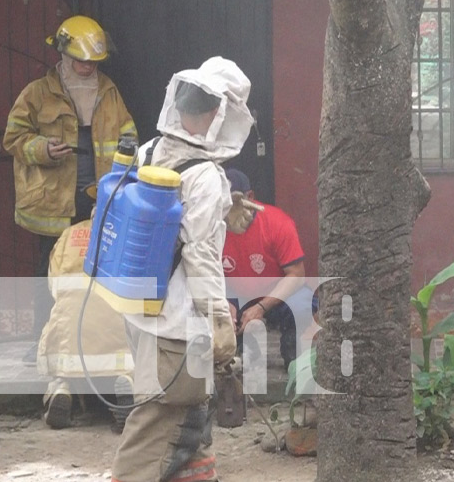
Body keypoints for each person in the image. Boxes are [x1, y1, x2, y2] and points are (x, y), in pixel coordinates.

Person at [111, 56, 250, 482]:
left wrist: (224, 209)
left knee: (192, 418)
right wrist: (219, 317)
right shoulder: (205, 174)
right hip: (178, 322)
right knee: (160, 421)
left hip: (141, 307)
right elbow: (200, 253)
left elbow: (163, 219)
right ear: (220, 114)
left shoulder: (151, 150)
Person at [3, 15, 137, 363]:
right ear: (62, 54)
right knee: (48, 273)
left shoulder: (108, 91)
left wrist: (125, 166)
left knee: (101, 270)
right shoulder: (37, 93)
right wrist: (42, 149)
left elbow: (128, 134)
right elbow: (13, 138)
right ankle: (43, 344)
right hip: (54, 202)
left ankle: (97, 343)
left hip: (98, 197)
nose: (87, 67)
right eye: (80, 61)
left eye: (93, 61)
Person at [38, 192, 135, 432]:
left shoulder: (68, 235)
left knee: (55, 339)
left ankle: (60, 390)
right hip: (115, 335)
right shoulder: (127, 233)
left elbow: (54, 285)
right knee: (135, 350)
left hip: (72, 334)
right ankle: (127, 384)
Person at [222, 168, 317, 370]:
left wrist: (261, 308)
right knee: (210, 309)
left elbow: (296, 275)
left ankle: (294, 358)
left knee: (302, 305)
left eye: (234, 202)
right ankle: (235, 353)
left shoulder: (277, 223)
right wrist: (222, 303)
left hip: (277, 294)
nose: (229, 209)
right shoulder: (213, 227)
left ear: (251, 197)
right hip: (237, 294)